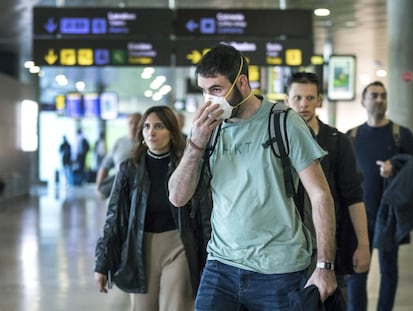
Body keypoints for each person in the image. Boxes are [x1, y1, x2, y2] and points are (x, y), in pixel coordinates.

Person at [168, 44, 337, 310]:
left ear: (242, 83)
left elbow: (320, 195)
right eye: (204, 91)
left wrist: (325, 266)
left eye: (216, 90)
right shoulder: (207, 131)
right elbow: (178, 197)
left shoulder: (283, 121)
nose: (209, 100)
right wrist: (196, 144)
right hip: (221, 266)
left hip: (279, 271)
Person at [94, 105, 200, 311]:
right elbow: (114, 217)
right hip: (141, 246)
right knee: (143, 307)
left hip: (178, 244)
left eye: (159, 126)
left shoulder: (186, 165)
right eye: (147, 127)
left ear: (171, 131)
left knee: (176, 305)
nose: (151, 132)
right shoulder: (129, 169)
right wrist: (101, 264)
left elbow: (203, 212)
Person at [286, 72, 371, 302]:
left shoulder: (337, 141)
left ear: (319, 101)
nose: (303, 104)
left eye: (310, 98)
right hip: (288, 249)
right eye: (297, 98)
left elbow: (353, 196)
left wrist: (363, 244)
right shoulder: (279, 143)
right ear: (287, 100)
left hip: (329, 247)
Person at [346, 81, 413, 311]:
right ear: (363, 101)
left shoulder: (401, 135)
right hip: (358, 217)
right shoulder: (352, 137)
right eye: (374, 95)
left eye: (383, 95)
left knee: (388, 271)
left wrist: (394, 167)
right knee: (357, 272)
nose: (379, 99)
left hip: (388, 216)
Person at [95, 113, 141, 198]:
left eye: (137, 123)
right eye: (131, 123)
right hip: (119, 189)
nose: (133, 126)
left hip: (140, 189)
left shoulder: (147, 144)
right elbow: (105, 165)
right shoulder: (119, 142)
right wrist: (98, 187)